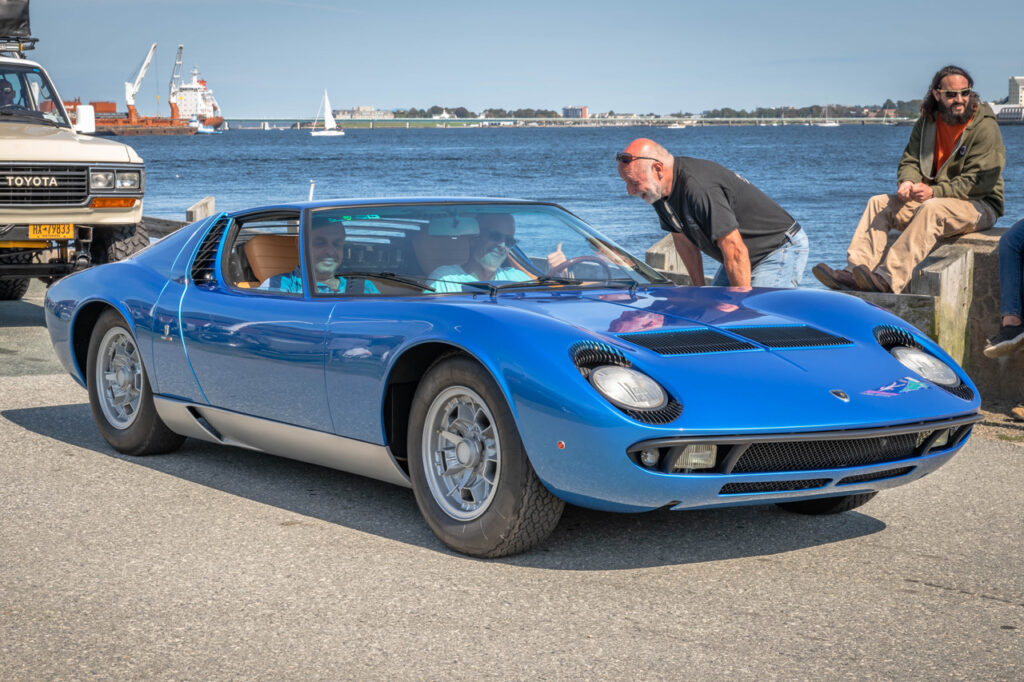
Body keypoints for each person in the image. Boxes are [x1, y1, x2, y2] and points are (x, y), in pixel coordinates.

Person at [813, 65, 1005, 293]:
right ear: (937, 94)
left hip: (980, 204)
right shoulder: (927, 122)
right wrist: (907, 182)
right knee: (878, 203)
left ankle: (887, 280)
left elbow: (980, 181)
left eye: (965, 92)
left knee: (932, 209)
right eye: (952, 94)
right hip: (937, 201)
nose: (960, 99)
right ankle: (854, 273)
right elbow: (910, 161)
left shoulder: (984, 126)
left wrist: (934, 192)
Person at [616, 138, 808, 288]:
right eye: (626, 183)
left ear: (658, 169)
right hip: (738, 253)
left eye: (634, 182)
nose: (630, 191)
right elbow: (683, 241)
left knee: (754, 317)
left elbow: (734, 247)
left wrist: (740, 305)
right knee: (713, 311)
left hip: (776, 248)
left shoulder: (699, 188)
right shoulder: (658, 193)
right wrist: (698, 290)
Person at [260, 222, 378, 294]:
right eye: (320, 243)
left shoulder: (365, 287)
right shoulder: (279, 285)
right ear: (300, 244)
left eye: (337, 244)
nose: (330, 252)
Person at [426, 214, 531, 292]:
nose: (502, 246)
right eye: (495, 237)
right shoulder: (444, 279)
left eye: (509, 241)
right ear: (474, 239)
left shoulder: (517, 278)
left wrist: (548, 277)